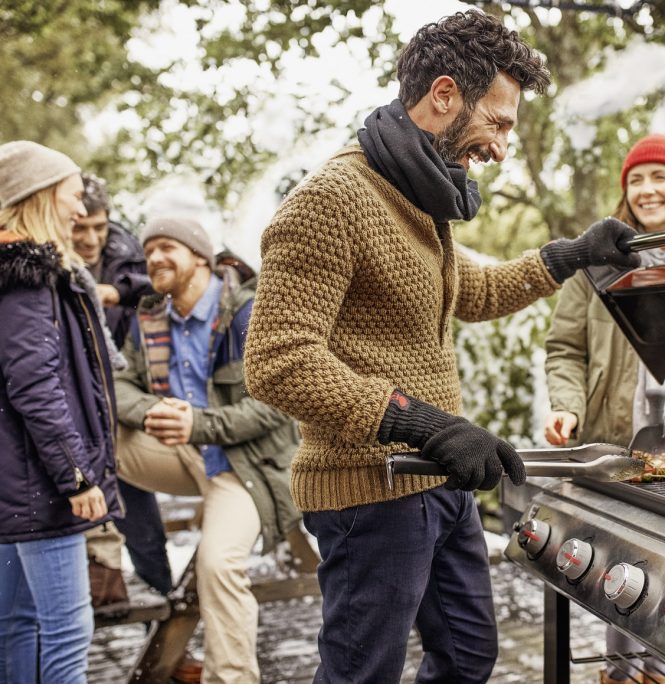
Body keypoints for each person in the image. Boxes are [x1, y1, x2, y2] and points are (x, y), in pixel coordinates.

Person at [243, 10, 640, 683]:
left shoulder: (419, 197)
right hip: (369, 490)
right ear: (445, 95)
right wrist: (421, 424)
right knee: (359, 673)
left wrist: (568, 255)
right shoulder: (330, 200)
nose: (503, 146)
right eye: (500, 121)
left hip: (435, 480)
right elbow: (277, 362)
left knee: (466, 656)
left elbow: (470, 293)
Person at [543, 133, 665, 684]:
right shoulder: (599, 269)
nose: (647, 190)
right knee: (624, 572)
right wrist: (566, 408)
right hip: (618, 444)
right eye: (636, 180)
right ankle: (623, 675)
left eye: (660, 177)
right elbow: (565, 348)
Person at [114, 215, 314, 684]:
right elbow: (119, 385)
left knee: (218, 565)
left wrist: (197, 422)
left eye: (167, 247)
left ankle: (231, 678)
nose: (154, 259)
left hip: (242, 466)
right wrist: (151, 412)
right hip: (183, 453)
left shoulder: (247, 313)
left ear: (199, 257)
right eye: (149, 251)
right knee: (99, 434)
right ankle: (105, 556)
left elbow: (276, 406)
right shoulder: (150, 317)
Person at [0, 140, 123, 683]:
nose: (80, 209)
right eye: (73, 196)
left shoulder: (15, 276)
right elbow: (34, 385)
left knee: (17, 626)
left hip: (16, 486)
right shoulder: (29, 281)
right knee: (68, 633)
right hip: (42, 486)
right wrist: (76, 476)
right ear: (41, 196)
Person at [72, 173, 175, 609]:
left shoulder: (125, 249)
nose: (93, 238)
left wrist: (117, 292)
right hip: (71, 401)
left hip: (119, 396)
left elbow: (163, 285)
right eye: (81, 228)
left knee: (139, 511)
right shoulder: (44, 253)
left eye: (100, 225)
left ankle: (165, 614)